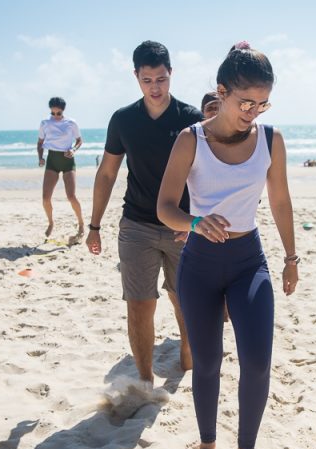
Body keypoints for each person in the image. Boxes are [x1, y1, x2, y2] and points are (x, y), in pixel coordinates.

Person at [158, 41, 298, 449]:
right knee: (208, 362)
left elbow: (280, 201)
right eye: (245, 103)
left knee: (257, 362)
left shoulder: (271, 139)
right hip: (199, 264)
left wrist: (291, 257)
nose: (253, 111)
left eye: (262, 103)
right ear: (221, 92)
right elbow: (164, 208)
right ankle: (207, 443)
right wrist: (195, 221)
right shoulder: (190, 139)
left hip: (247, 261)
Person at [85, 40, 203, 387]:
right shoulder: (123, 120)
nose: (155, 87)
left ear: (171, 75)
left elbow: (205, 176)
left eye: (162, 79)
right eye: (148, 80)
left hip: (182, 226)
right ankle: (145, 380)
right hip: (136, 224)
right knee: (139, 305)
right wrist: (94, 226)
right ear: (136, 76)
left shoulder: (191, 118)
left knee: (186, 303)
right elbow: (107, 173)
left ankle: (188, 363)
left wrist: (196, 222)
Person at [37, 96, 84, 240]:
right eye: (53, 113)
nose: (55, 116)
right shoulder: (45, 123)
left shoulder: (71, 123)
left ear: (62, 111)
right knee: (45, 198)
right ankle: (51, 222)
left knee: (71, 196)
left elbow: (79, 141)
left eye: (58, 113)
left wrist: (74, 150)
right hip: (52, 160)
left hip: (67, 160)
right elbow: (40, 143)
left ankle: (81, 223)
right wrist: (40, 157)